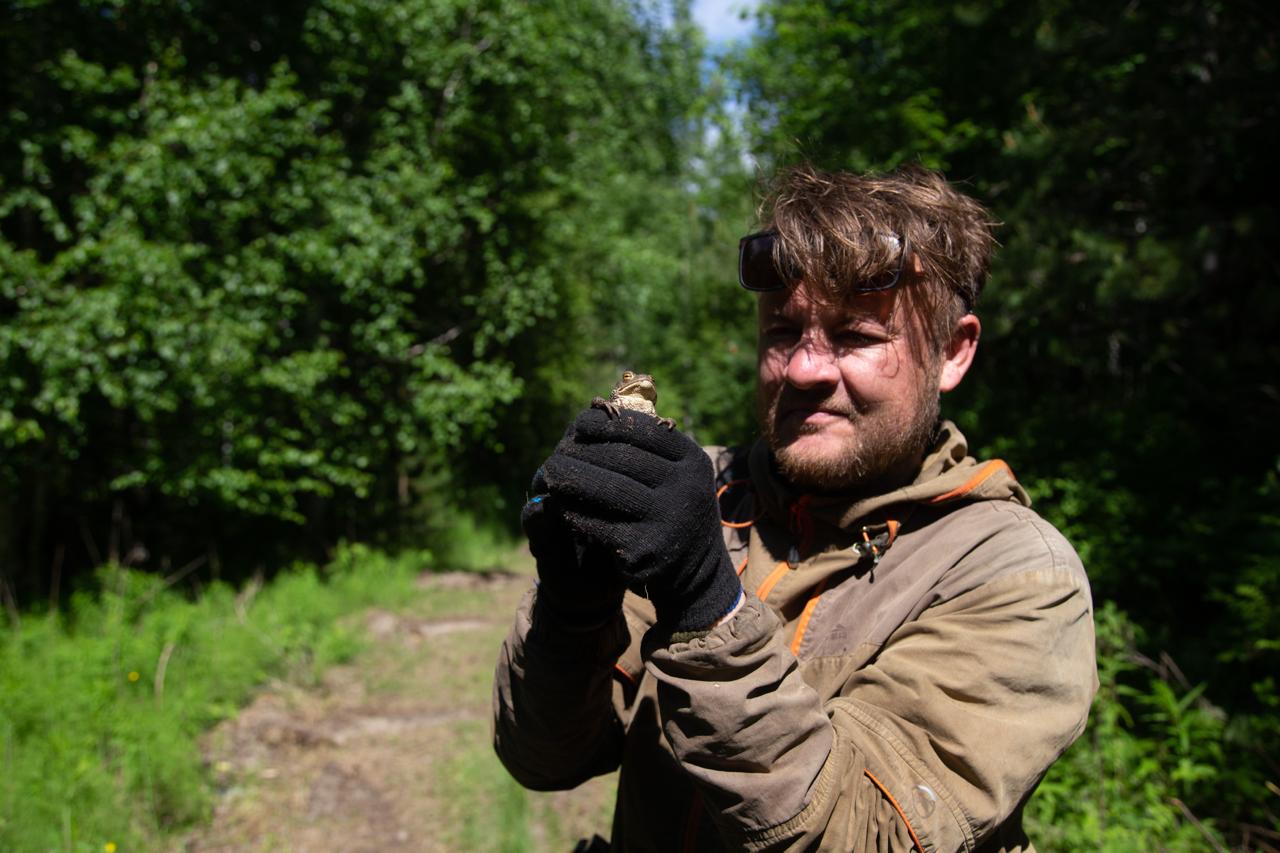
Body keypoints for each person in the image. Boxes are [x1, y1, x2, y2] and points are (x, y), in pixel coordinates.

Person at [492, 164, 1098, 851]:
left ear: (953, 352)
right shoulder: (700, 501)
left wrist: (706, 605)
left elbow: (863, 834)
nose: (806, 368)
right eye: (784, 331)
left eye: (856, 336)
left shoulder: (1014, 572)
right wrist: (572, 608)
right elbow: (542, 758)